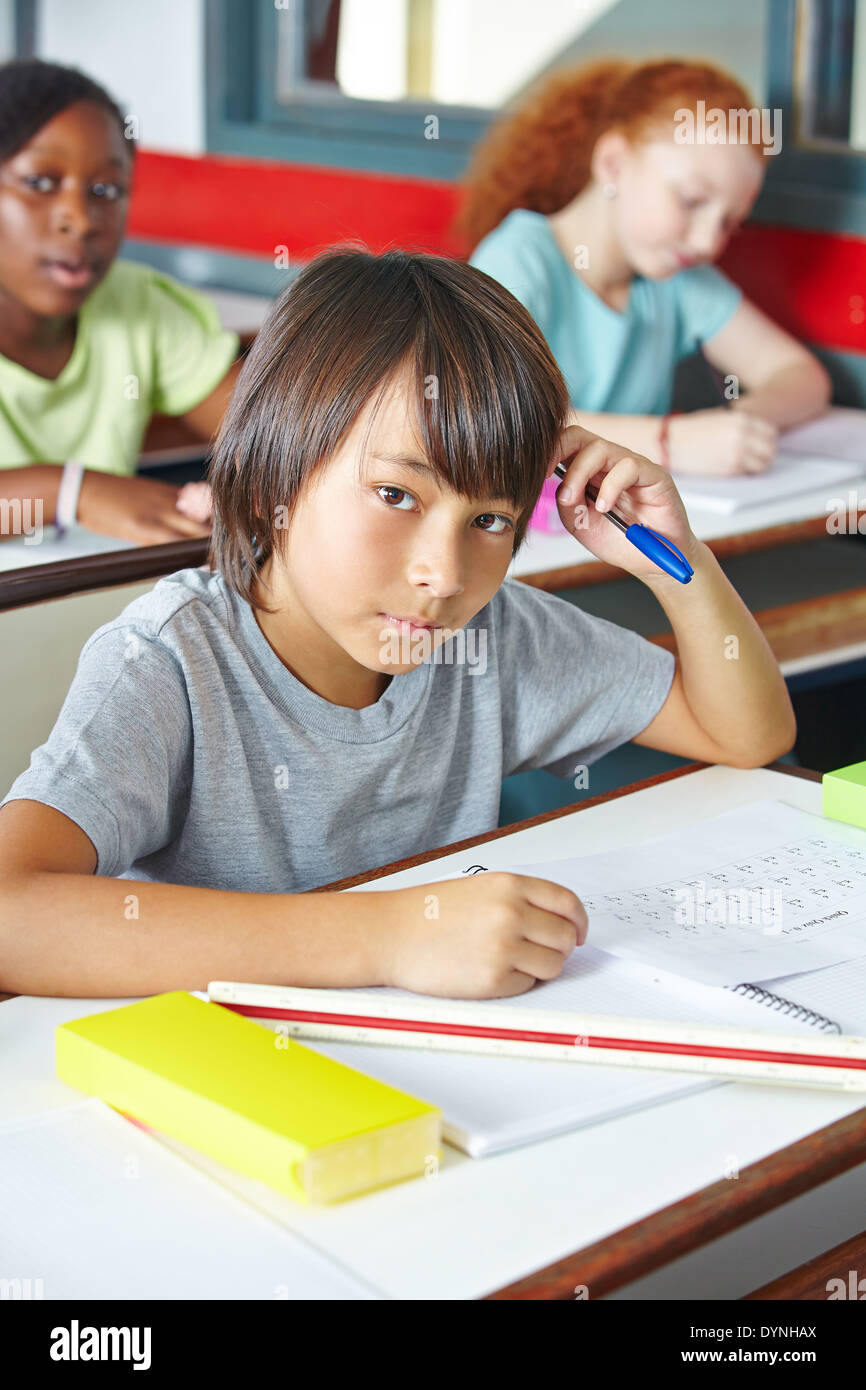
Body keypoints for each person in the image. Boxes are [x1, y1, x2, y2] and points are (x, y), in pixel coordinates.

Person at [0, 249, 795, 1000]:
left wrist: (677, 562)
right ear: (270, 472)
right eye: (395, 495)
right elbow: (11, 915)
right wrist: (388, 937)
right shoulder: (172, 660)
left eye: (489, 518)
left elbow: (745, 735)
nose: (443, 576)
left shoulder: (495, 638)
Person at [459, 59, 831, 478]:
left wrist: (738, 425)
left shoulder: (677, 277)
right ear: (614, 164)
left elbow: (801, 376)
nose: (709, 242)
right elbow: (489, 416)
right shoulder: (518, 260)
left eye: (729, 222)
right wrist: (669, 441)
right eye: (690, 200)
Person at [0, 58, 243, 543]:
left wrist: (272, 480)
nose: (82, 218)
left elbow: (270, 433)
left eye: (106, 190)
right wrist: (73, 493)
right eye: (40, 182)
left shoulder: (137, 305)